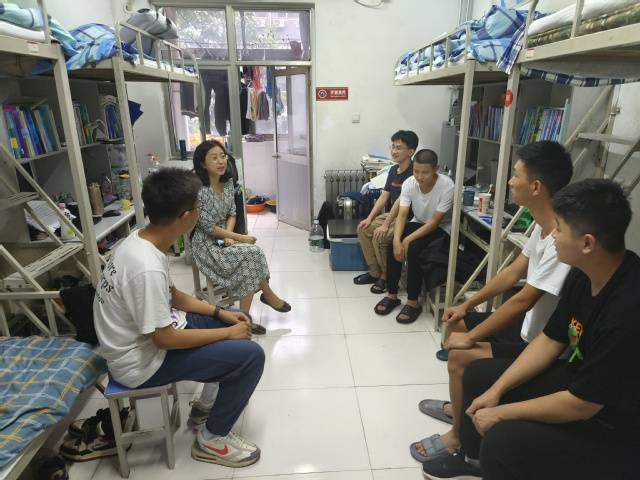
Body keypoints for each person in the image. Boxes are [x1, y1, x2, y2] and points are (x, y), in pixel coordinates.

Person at [422, 178, 640, 480]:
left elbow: (582, 405)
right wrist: (496, 391)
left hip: (612, 424)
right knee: (479, 375)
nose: (553, 236)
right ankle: (472, 461)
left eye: (559, 229)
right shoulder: (585, 273)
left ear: (587, 243)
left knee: (502, 441)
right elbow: (550, 340)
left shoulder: (627, 309)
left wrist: (500, 412)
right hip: (577, 378)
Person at [410, 141, 573, 463]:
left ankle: (458, 435)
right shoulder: (542, 226)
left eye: (515, 175)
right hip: (527, 326)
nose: (510, 181)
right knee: (456, 322)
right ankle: (460, 407)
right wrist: (466, 306)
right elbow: (512, 273)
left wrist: (472, 336)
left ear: (536, 187)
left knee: (461, 354)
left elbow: (523, 299)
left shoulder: (561, 237)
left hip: (540, 341)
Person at [93, 168, 265, 468]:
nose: (200, 213)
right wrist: (226, 334)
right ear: (185, 217)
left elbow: (172, 295)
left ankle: (204, 408)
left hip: (153, 338)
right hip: (141, 362)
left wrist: (220, 313)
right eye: (198, 207)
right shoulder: (144, 266)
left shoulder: (142, 239)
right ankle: (212, 440)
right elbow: (164, 339)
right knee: (251, 356)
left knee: (238, 317)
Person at [190, 140, 290, 335]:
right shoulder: (198, 191)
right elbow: (208, 228)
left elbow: (232, 213)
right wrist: (239, 237)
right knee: (252, 254)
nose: (221, 161)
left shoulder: (227, 183)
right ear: (202, 164)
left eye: (222, 156)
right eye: (214, 158)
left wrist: (229, 237)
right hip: (205, 245)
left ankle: (244, 318)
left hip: (223, 237)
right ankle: (265, 298)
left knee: (251, 256)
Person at [374, 149, 454, 323]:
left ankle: (413, 302)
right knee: (391, 244)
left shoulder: (447, 186)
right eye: (416, 171)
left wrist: (407, 240)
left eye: (425, 172)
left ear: (436, 169)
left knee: (413, 248)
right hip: (418, 222)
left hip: (441, 228)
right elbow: (402, 215)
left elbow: (434, 222)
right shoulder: (410, 183)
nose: (419, 176)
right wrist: (397, 240)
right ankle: (392, 295)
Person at [354, 130, 418, 294]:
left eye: (399, 148)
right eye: (393, 147)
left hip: (408, 218)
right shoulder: (393, 170)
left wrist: (385, 225)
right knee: (364, 229)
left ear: (410, 152)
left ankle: (387, 277)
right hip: (392, 215)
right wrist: (369, 218)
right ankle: (375, 272)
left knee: (380, 237)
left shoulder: (414, 172)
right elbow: (384, 196)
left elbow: (400, 202)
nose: (394, 151)